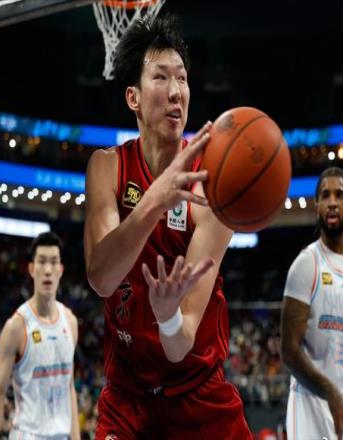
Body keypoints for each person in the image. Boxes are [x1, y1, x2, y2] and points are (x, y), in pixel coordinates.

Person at [84, 14, 252, 440]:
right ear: (133, 97)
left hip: (198, 396)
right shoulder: (107, 167)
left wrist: (167, 315)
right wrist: (156, 199)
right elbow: (102, 278)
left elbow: (181, 343)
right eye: (161, 77)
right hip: (127, 399)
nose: (176, 91)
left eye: (182, 78)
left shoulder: (213, 185)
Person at [280, 167, 343, 439]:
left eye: (339, 195)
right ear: (317, 207)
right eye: (325, 196)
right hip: (312, 404)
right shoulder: (306, 264)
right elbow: (289, 351)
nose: (332, 202)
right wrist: (330, 392)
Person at [0, 232, 80, 440]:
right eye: (42, 262)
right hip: (27, 434)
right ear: (31, 268)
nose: (47, 270)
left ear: (61, 270)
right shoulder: (16, 327)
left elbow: (69, 387)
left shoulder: (71, 322)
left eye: (53, 262)